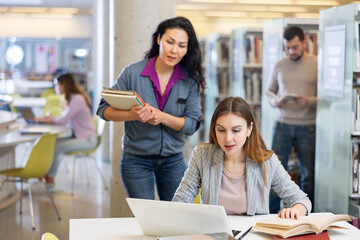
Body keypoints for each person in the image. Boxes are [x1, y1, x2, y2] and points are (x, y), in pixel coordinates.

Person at [96, 17, 204, 201]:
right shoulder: (132, 73)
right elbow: (103, 110)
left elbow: (192, 124)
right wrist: (132, 115)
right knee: (144, 218)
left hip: (173, 161)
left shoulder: (190, 80)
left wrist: (163, 117)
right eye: (170, 42)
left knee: (174, 218)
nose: (174, 50)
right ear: (159, 39)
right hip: (136, 161)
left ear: (187, 49)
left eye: (181, 45)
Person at [173, 97, 311, 219]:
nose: (228, 139)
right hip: (214, 234)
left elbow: (301, 200)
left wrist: (295, 211)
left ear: (249, 129)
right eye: (221, 130)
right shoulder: (202, 155)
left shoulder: (267, 161)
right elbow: (181, 200)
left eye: (236, 130)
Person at [266, 26, 317, 213]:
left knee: (308, 175)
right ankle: (270, 214)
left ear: (304, 42)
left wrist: (309, 101)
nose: (291, 52)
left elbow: (328, 96)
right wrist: (273, 101)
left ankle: (306, 213)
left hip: (307, 126)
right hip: (282, 124)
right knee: (274, 172)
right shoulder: (279, 65)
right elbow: (269, 90)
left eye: (295, 47)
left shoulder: (316, 63)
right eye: (287, 48)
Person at [35, 73, 97, 185]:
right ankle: (46, 175)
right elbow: (65, 118)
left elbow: (63, 120)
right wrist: (49, 118)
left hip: (88, 140)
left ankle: (49, 177)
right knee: (52, 144)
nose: (56, 88)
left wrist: (47, 119)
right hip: (80, 136)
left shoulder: (77, 99)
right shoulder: (74, 97)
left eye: (57, 85)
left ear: (64, 85)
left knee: (55, 147)